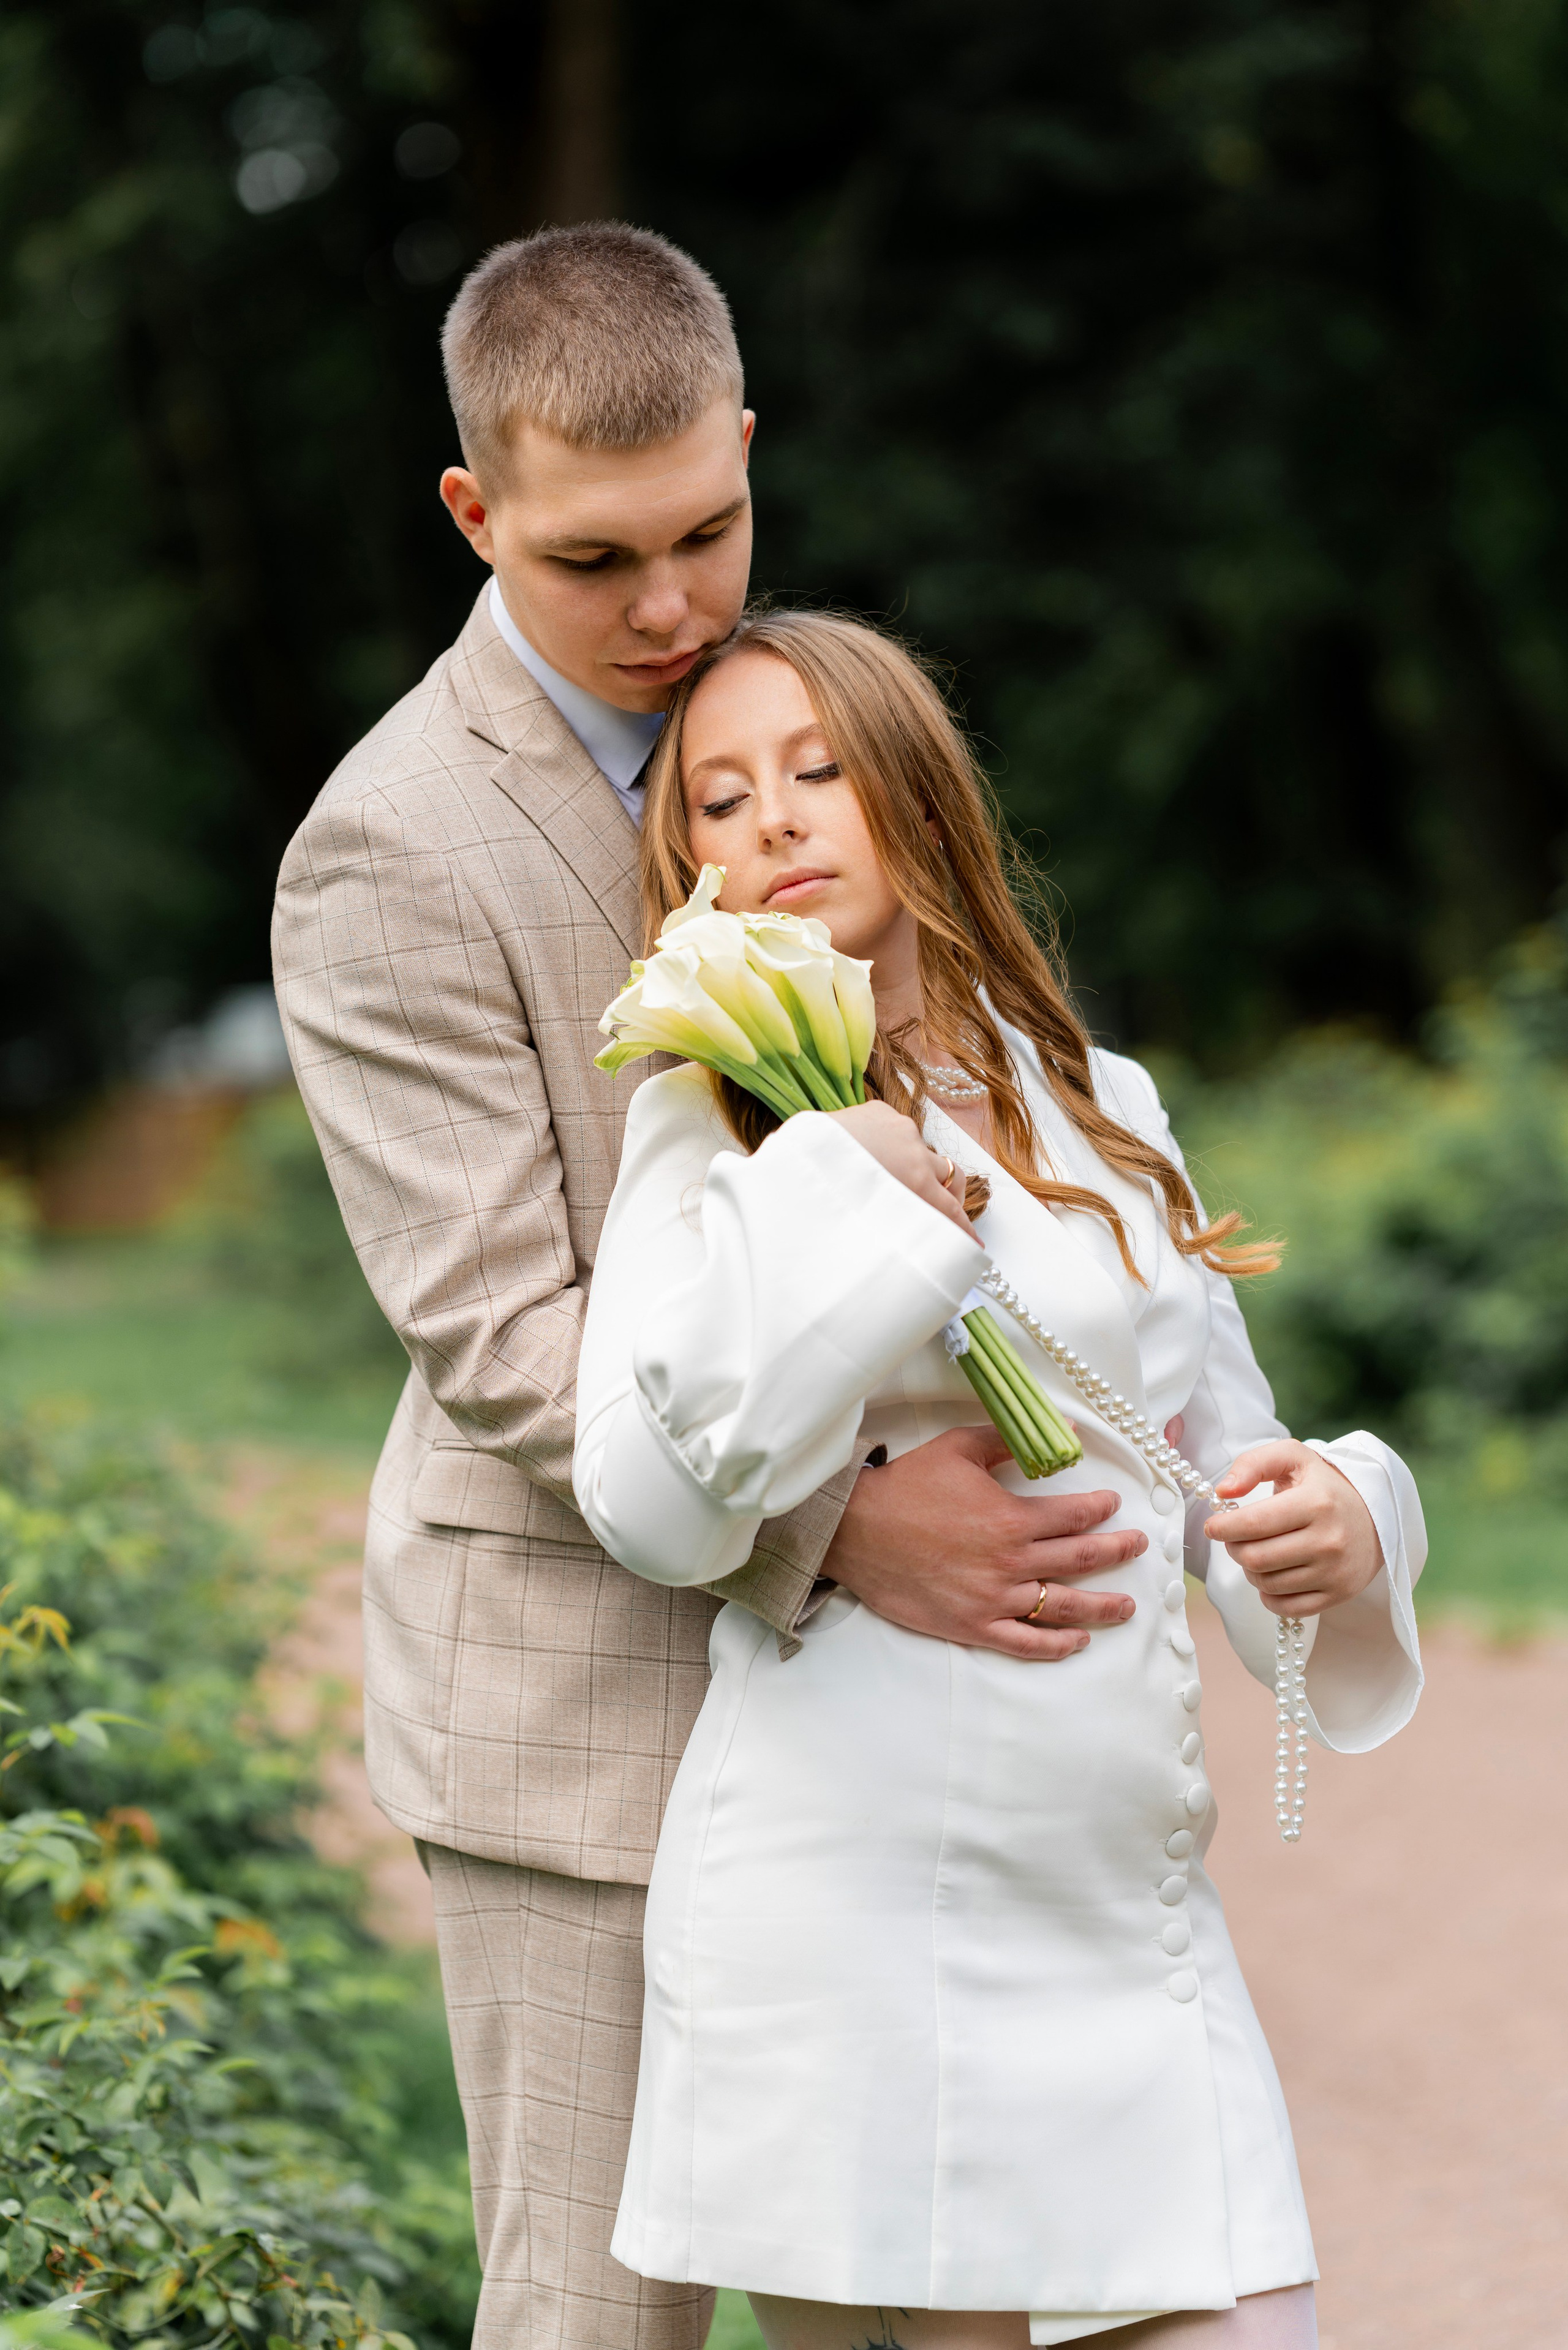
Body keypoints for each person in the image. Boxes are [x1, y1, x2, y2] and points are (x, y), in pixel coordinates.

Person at [273, 224, 1148, 2350]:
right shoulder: (388, 849)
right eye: (596, 562)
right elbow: (503, 1337)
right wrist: (840, 1527)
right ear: (475, 512)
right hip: (587, 1712)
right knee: (604, 2314)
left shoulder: (799, 737)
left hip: (891, 1729)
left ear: (749, 449)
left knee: (927, 2285)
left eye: (707, 533)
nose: (671, 608)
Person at [573, 610, 1427, 2349]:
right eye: (720, 801)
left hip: (1131, 1926)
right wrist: (848, 1188)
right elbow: (651, 1502)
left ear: (918, 793)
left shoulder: (1104, 1099)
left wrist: (1336, 1518)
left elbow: (1210, 1466)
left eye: (820, 770)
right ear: (692, 875)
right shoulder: (703, 1124)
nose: (775, 819)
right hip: (854, 1934)